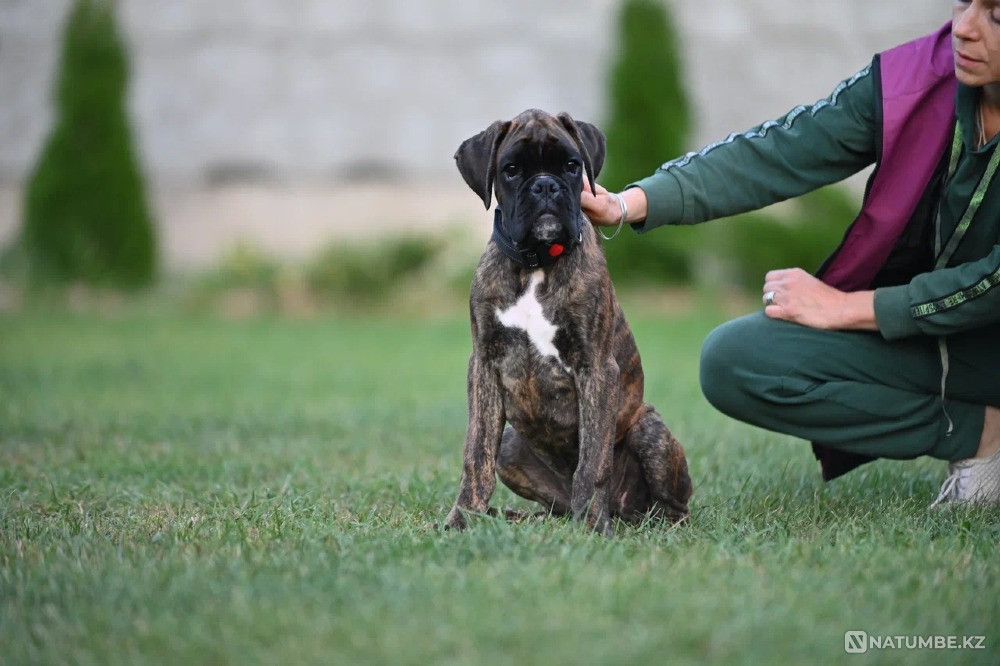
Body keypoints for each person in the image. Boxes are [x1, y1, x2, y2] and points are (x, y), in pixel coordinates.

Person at [582, 3, 1000, 508]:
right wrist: (628, 202)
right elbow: (782, 151)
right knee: (736, 361)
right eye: (964, 1)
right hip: (948, 343)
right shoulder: (918, 80)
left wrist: (847, 307)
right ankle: (981, 434)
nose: (963, 28)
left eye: (996, 15)